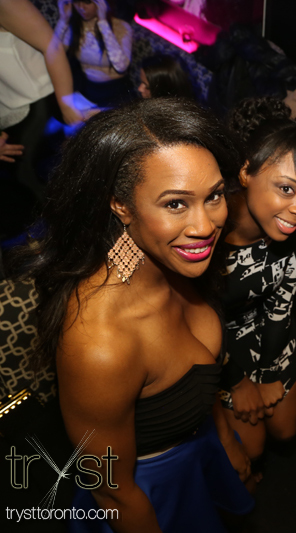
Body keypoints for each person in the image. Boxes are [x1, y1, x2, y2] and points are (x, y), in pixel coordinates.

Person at [13, 98, 252, 532]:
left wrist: (223, 440)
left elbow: (202, 379)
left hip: (200, 449)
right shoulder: (100, 344)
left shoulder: (177, 259)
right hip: (146, 496)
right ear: (120, 206)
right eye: (175, 204)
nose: (205, 226)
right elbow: (112, 491)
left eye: (214, 196)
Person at [219, 96, 296, 460]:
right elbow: (190, 321)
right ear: (246, 172)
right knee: (248, 452)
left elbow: (281, 305)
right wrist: (237, 381)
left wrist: (267, 374)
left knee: (285, 431)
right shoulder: (206, 232)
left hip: (271, 332)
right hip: (215, 345)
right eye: (287, 188)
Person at [0, 0, 89, 203]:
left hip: (37, 107)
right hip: (7, 118)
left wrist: (66, 105)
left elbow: (52, 46)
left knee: (32, 185)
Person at [56, 0, 133, 107]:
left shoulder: (120, 26)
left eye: (87, 2)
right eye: (77, 2)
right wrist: (63, 20)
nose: (81, 7)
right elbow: (53, 55)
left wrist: (103, 23)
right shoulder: (74, 26)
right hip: (88, 90)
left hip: (117, 91)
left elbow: (121, 66)